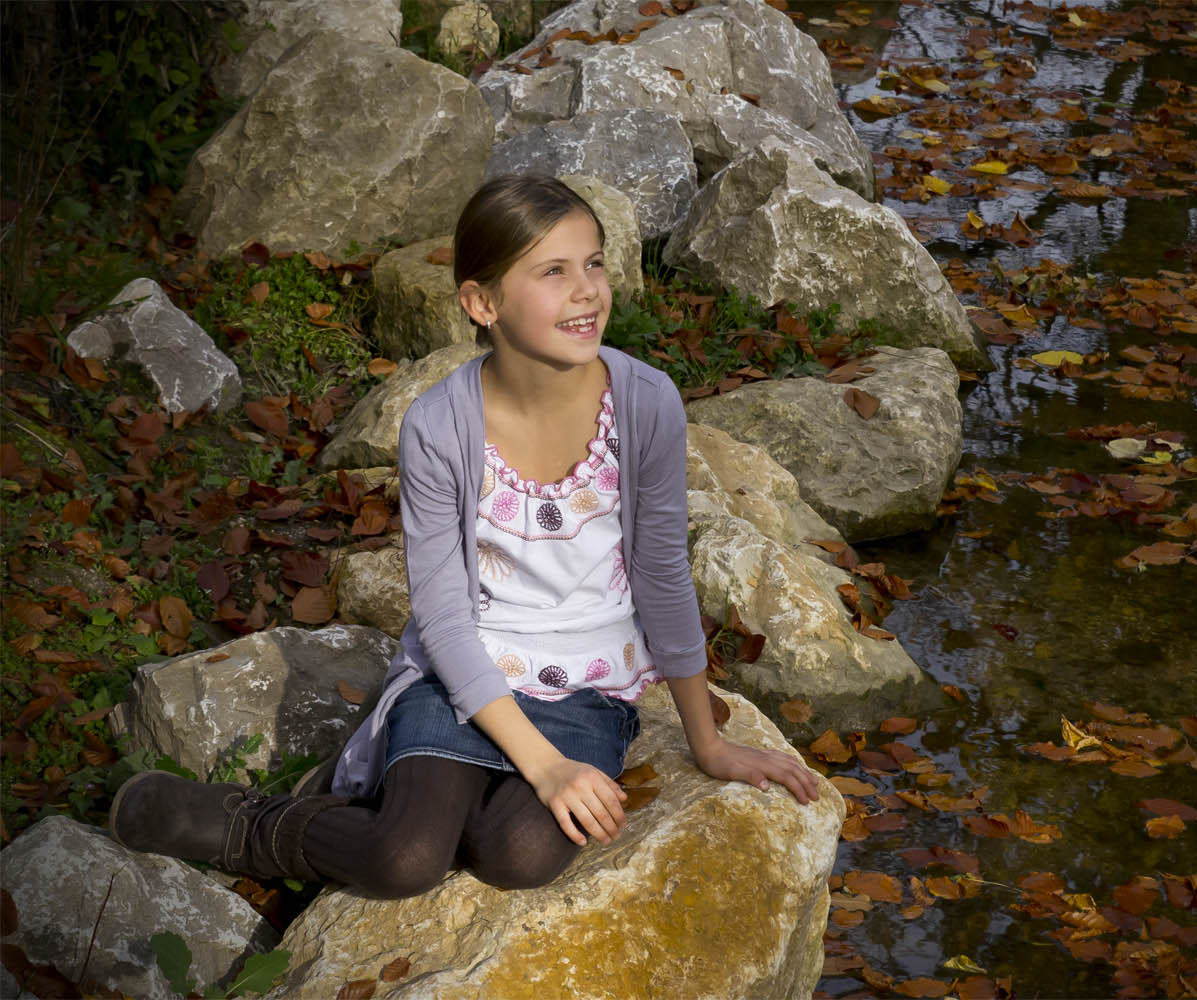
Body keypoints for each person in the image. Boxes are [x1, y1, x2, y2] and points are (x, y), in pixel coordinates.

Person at [110, 175, 819, 898]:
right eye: (553, 271)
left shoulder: (645, 403)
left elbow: (663, 575)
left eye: (594, 262)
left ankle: (402, 789)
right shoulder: (438, 425)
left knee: (516, 855)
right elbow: (446, 622)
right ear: (483, 303)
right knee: (407, 857)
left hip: (587, 688)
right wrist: (541, 768)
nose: (587, 290)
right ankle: (253, 825)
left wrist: (707, 742)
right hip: (464, 673)